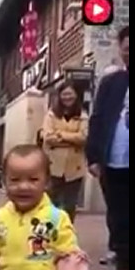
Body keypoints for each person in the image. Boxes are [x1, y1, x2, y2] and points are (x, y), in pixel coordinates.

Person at [87, 25, 129, 270]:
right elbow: (97, 119)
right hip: (114, 161)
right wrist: (93, 156)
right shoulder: (111, 83)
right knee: (119, 218)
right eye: (127, 48)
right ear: (121, 50)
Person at [41, 81, 88, 223]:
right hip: (53, 166)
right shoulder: (51, 115)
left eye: (70, 94)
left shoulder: (82, 115)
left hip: (75, 168)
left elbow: (83, 138)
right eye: (64, 94)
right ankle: (49, 229)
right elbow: (48, 137)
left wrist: (61, 134)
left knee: (69, 205)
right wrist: (72, 139)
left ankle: (66, 231)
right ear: (59, 96)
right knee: (51, 202)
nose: (67, 97)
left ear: (76, 95)